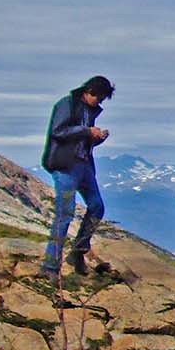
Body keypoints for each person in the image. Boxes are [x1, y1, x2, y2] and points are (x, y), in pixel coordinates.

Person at [41, 75, 114, 278]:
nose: (98, 103)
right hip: (65, 166)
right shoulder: (67, 105)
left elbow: (81, 139)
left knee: (97, 206)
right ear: (90, 92)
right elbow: (59, 131)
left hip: (83, 165)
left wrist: (96, 138)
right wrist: (87, 131)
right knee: (65, 213)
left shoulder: (88, 111)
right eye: (98, 98)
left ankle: (78, 250)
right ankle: (50, 266)